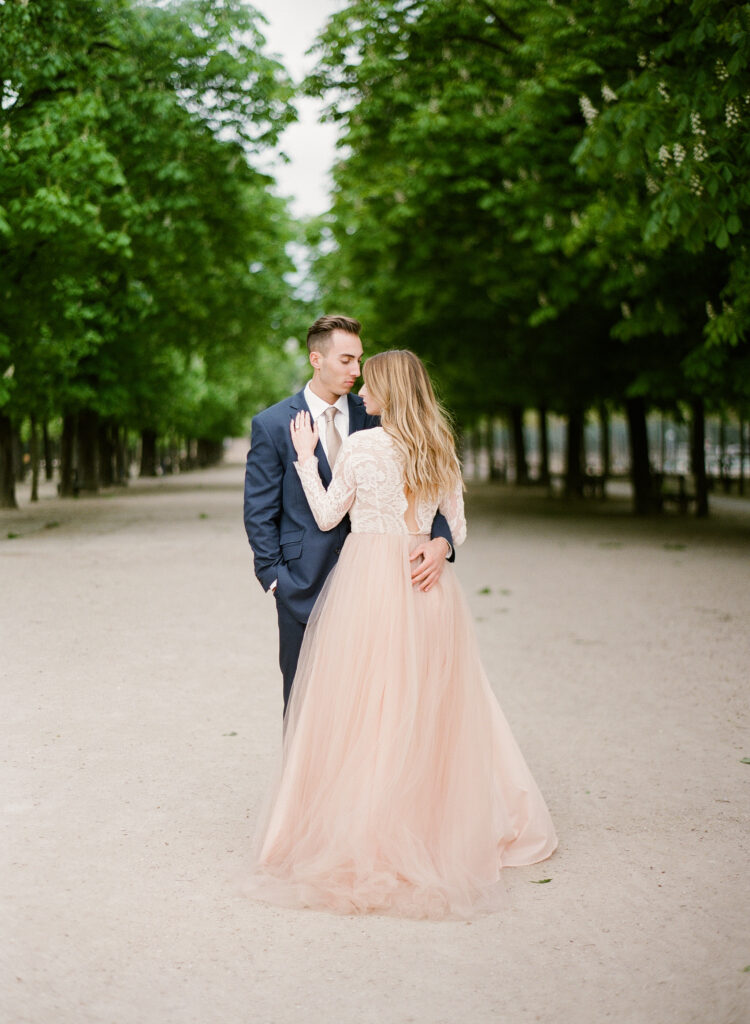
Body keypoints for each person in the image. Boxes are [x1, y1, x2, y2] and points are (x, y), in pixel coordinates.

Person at [244, 350, 558, 920]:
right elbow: (456, 525)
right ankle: (431, 822)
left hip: (369, 583)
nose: (362, 389)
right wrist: (437, 544)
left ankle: (371, 826)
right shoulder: (438, 446)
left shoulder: (363, 445)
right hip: (425, 588)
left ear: (390, 388)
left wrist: (307, 458)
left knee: (366, 708)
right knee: (430, 706)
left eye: (371, 381)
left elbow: (323, 516)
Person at [243, 315, 455, 715]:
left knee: (376, 702)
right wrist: (275, 580)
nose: (357, 371)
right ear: (316, 359)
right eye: (346, 360)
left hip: (386, 585)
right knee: (305, 703)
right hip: (304, 584)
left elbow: (432, 483)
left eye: (360, 360)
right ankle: (303, 779)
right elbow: (259, 512)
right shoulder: (272, 425)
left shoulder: (379, 410)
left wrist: (441, 541)